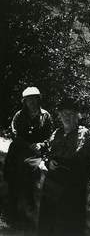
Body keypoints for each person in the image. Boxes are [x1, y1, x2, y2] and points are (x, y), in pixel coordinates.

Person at [37, 98, 90, 236]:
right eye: (63, 113)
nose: (67, 117)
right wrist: (49, 162)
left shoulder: (84, 134)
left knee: (68, 226)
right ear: (59, 115)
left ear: (77, 115)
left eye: (70, 113)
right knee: (47, 224)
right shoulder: (57, 133)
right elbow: (47, 152)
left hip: (72, 187)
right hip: (52, 186)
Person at [3, 86, 53, 231]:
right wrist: (29, 145)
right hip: (19, 150)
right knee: (13, 174)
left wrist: (41, 145)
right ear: (24, 101)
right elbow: (14, 134)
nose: (31, 102)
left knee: (30, 170)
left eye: (34, 98)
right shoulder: (19, 115)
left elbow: (51, 137)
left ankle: (28, 211)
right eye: (28, 99)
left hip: (35, 153)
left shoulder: (46, 116)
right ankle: (12, 214)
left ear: (38, 99)